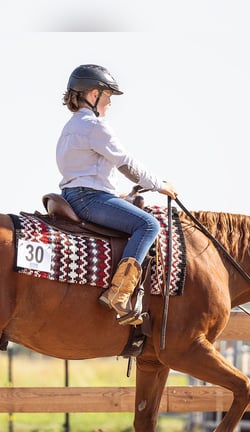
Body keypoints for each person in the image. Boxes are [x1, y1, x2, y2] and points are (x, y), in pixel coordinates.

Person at [56, 64, 177, 325]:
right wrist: (160, 185)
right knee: (148, 224)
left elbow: (88, 171)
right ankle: (119, 294)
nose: (110, 103)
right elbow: (126, 163)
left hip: (75, 194)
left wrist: (120, 194)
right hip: (89, 199)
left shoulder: (70, 127)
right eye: (108, 96)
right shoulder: (94, 126)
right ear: (92, 93)